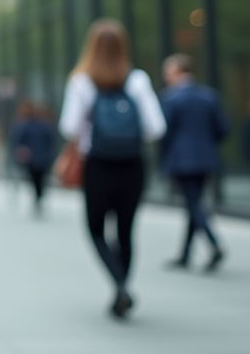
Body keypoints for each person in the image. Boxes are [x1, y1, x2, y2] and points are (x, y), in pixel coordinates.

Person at [59, 19, 165, 319]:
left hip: (99, 166)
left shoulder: (82, 82)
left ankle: (119, 286)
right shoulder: (138, 80)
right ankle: (123, 286)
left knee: (95, 229)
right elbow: (156, 128)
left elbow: (69, 127)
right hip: (132, 165)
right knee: (126, 231)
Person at [160, 53, 229, 271]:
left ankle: (214, 244)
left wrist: (164, 161)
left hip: (182, 160)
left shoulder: (170, 98)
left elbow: (164, 133)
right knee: (193, 203)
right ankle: (185, 254)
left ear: (177, 72)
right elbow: (222, 130)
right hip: (206, 158)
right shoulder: (209, 96)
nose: (166, 77)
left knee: (193, 204)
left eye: (168, 72)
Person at [10, 99, 55, 213]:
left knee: (36, 179)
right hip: (41, 158)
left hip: (35, 158)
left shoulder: (29, 126)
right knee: (40, 179)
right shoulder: (44, 126)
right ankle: (39, 196)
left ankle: (38, 196)